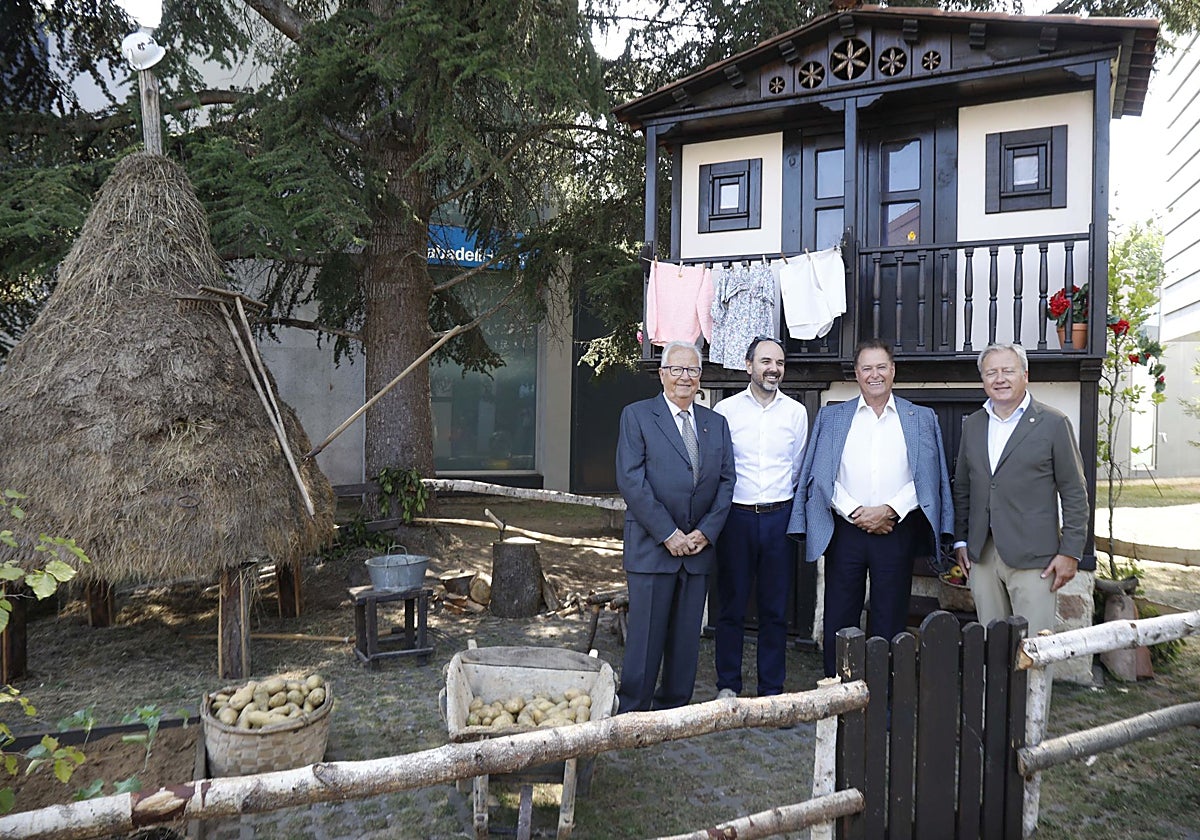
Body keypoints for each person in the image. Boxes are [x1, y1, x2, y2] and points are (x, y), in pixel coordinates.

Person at [788, 339, 954, 677]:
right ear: (857, 374)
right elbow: (821, 473)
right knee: (839, 614)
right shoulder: (833, 416)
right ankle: (837, 688)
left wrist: (890, 509)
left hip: (896, 530)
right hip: (845, 531)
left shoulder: (920, 418)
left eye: (881, 367)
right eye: (867, 368)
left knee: (890, 617)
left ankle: (883, 694)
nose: (874, 374)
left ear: (893, 371)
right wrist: (855, 511)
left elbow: (929, 475)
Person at [615, 340, 735, 713]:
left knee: (685, 640)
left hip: (698, 550)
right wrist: (668, 533)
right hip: (653, 547)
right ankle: (634, 710)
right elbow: (631, 481)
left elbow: (727, 482)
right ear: (662, 374)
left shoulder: (716, 424)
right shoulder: (636, 416)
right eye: (677, 369)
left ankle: (674, 709)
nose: (685, 377)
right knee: (646, 637)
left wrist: (705, 533)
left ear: (701, 378)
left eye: (693, 370)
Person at [953, 342, 1089, 634]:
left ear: (1025, 375)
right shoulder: (973, 425)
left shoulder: (1053, 423)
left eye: (1008, 371)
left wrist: (1071, 552)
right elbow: (964, 487)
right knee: (990, 645)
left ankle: (1031, 685)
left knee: (1033, 651)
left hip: (1034, 558)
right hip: (983, 555)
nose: (999, 379)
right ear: (983, 380)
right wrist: (961, 541)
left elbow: (1074, 491)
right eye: (991, 372)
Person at [712, 337, 808, 699]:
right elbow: (720, 467)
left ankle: (771, 688)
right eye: (766, 360)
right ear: (748, 364)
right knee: (731, 606)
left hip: (779, 519)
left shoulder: (796, 413)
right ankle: (728, 686)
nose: (774, 368)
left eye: (780, 362)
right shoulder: (726, 411)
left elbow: (797, 468)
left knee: (774, 608)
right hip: (735, 519)